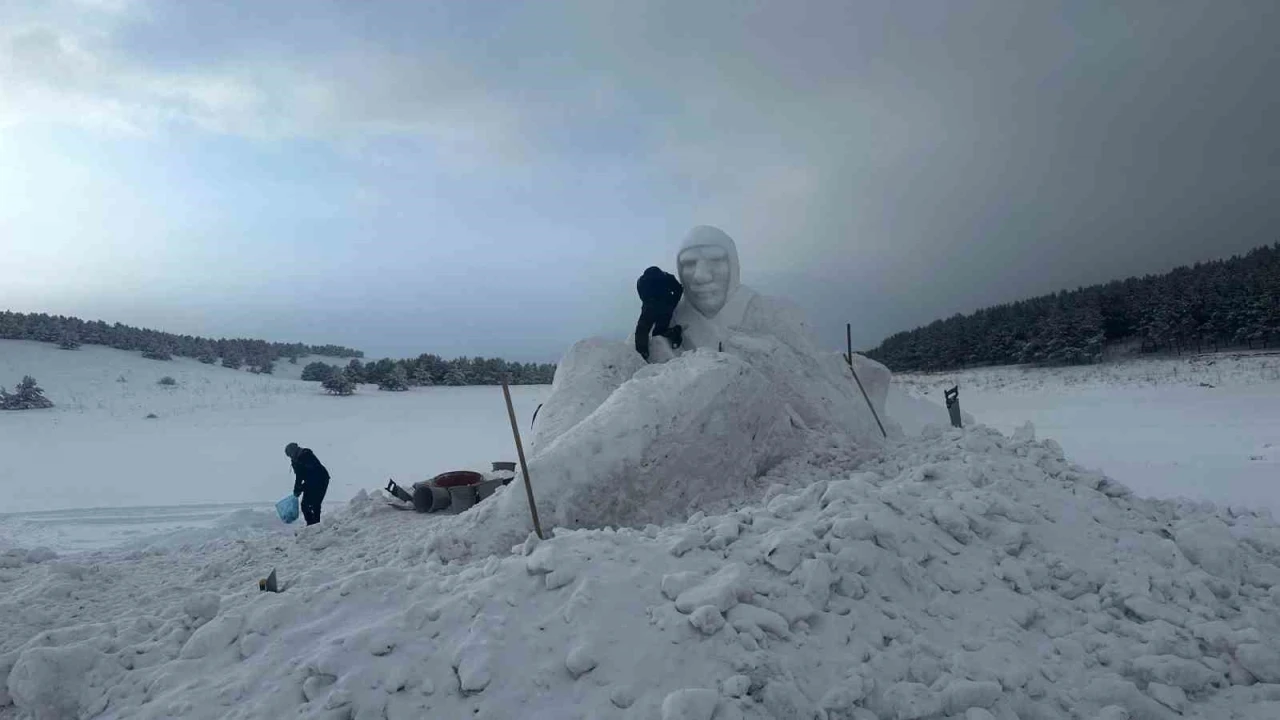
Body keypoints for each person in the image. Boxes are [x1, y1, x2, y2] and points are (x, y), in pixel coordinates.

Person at [635, 266, 684, 361]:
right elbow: (678, 289)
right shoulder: (667, 277)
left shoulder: (641, 281)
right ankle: (674, 333)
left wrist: (648, 303)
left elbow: (642, 295)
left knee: (642, 329)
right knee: (659, 331)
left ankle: (642, 353)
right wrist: (673, 302)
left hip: (649, 307)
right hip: (666, 306)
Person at [285, 442, 330, 526]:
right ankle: (312, 525)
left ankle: (314, 525)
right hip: (311, 482)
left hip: (321, 480)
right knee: (306, 505)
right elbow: (299, 476)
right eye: (289, 456)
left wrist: (301, 487)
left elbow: (311, 473)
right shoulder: (296, 461)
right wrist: (297, 489)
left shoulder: (307, 456)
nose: (290, 457)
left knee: (313, 504)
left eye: (290, 454)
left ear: (294, 451)